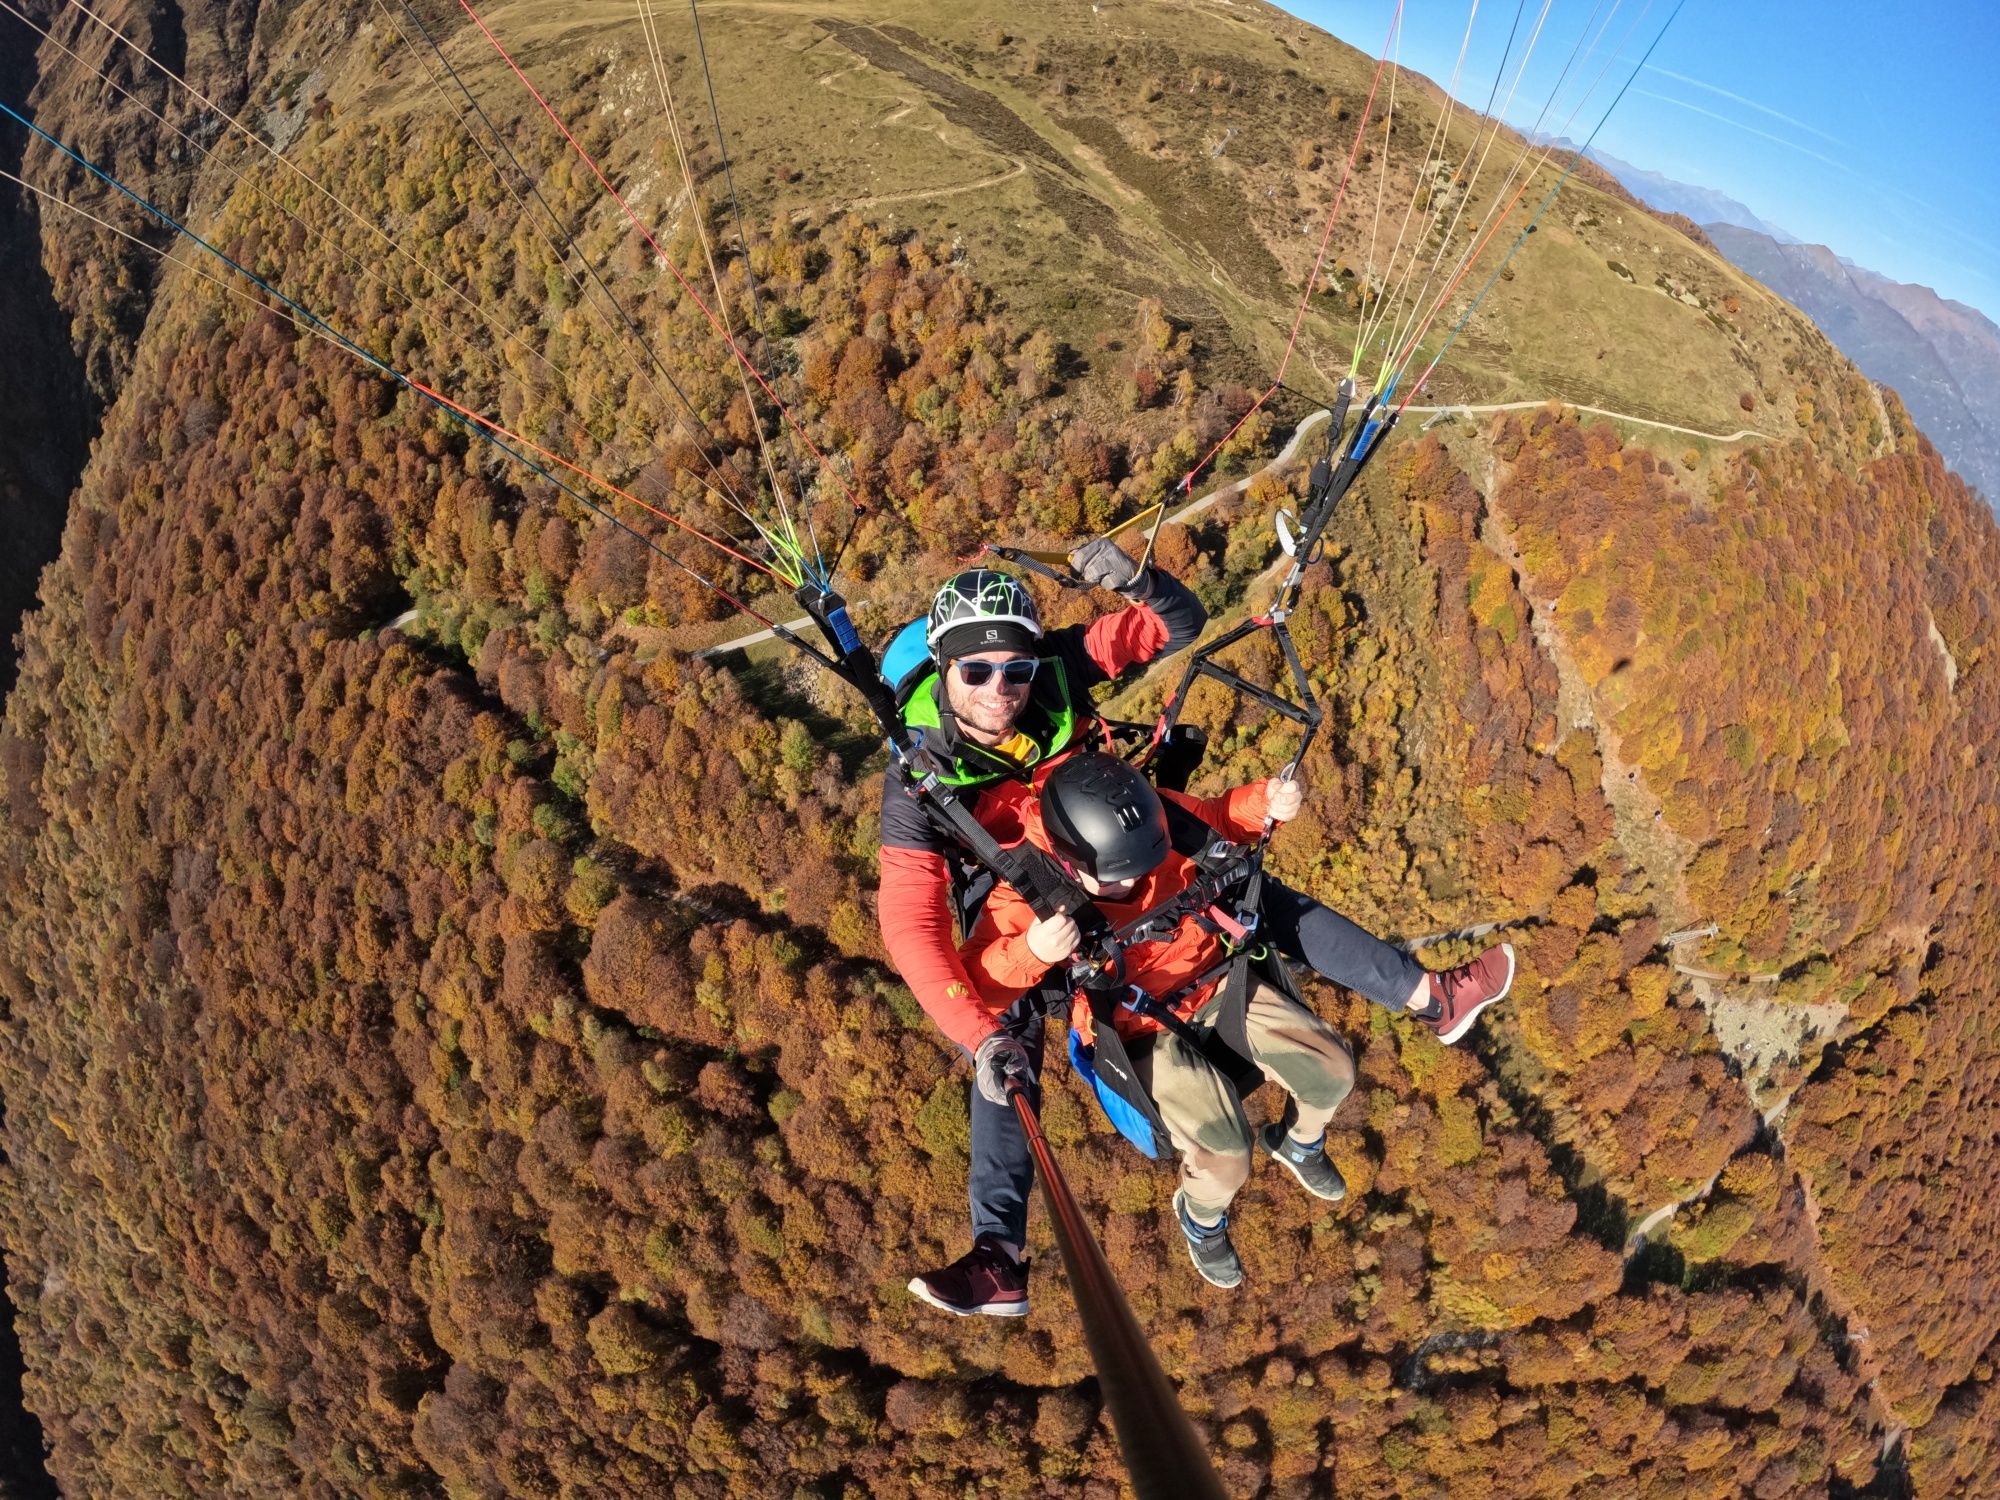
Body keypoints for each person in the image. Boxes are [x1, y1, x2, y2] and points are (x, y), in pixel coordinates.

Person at [883, 550, 1513, 1315]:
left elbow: (1172, 625)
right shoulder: (919, 779)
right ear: (945, 667)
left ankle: (1429, 998)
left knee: (1233, 880)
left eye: (1014, 671)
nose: (1001, 692)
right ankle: (1000, 1252)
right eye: (977, 673)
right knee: (1005, 1041)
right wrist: (986, 1023)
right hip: (1015, 866)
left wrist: (1129, 579)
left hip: (1108, 806)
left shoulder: (1052, 675)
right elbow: (914, 929)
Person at [956, 752, 1452, 1288]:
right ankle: (1202, 1219)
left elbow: (1217, 822)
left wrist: (1268, 802)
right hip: (1135, 1030)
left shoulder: (1156, 820)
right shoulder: (1025, 894)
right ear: (1072, 864)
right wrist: (1032, 949)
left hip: (1210, 979)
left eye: (1144, 868)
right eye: (1119, 879)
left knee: (1333, 1070)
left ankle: (1298, 1141)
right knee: (1225, 1157)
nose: (1137, 884)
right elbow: (975, 988)